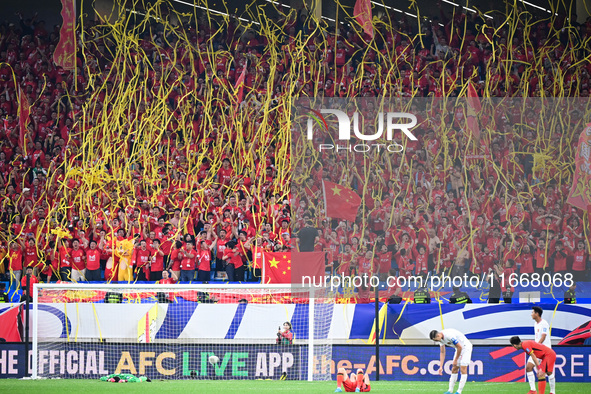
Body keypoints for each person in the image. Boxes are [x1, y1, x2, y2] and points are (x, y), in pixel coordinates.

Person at [430, 328, 473, 394]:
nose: (437, 341)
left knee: (463, 368)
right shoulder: (440, 339)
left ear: (438, 335)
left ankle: (459, 391)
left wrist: (455, 360)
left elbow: (460, 347)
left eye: (436, 340)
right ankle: (450, 390)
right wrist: (441, 366)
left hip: (466, 347)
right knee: (454, 368)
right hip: (458, 348)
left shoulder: (449, 335)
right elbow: (442, 352)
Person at [526, 306, 554, 393]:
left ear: (537, 314)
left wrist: (536, 346)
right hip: (537, 350)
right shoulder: (535, 324)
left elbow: (543, 336)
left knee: (548, 373)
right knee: (528, 367)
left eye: (532, 312)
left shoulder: (544, 323)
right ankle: (533, 390)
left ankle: (552, 392)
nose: (531, 314)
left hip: (545, 351)